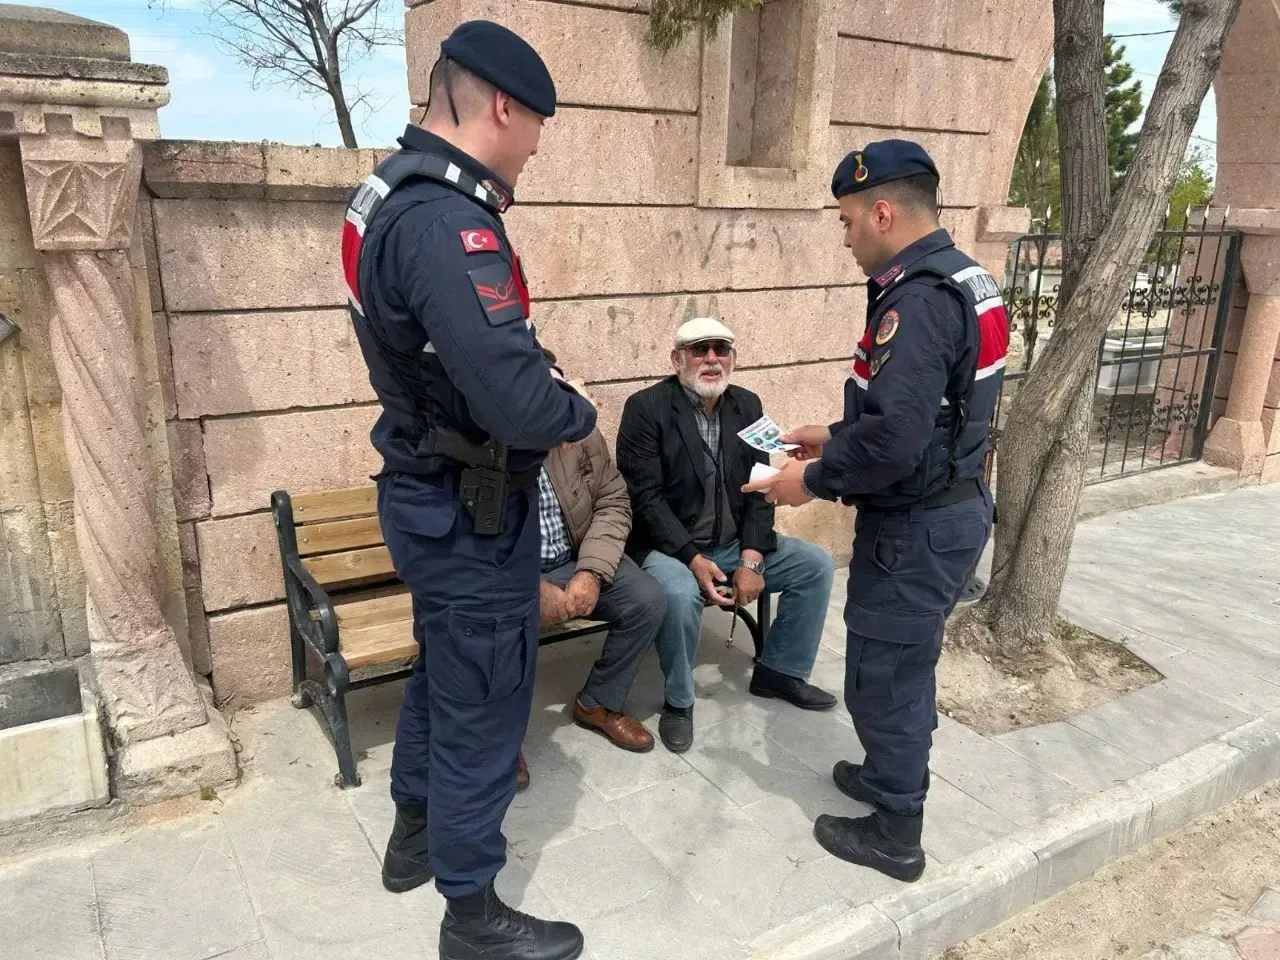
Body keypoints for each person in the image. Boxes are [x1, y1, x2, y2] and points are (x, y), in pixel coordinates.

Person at [341, 20, 595, 960]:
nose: (535, 144)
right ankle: (474, 913)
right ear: (500, 106)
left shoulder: (389, 193)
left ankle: (413, 832)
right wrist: (577, 411)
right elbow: (517, 397)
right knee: (486, 699)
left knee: (445, 672)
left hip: (427, 488)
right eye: (535, 124)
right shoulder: (451, 220)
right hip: (467, 506)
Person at [743, 140, 1008, 883]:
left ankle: (896, 828)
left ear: (883, 212)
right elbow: (934, 412)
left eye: (849, 221)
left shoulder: (917, 297)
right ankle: (888, 772)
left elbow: (896, 442)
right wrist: (830, 434)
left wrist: (813, 479)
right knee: (904, 660)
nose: (847, 236)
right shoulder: (967, 277)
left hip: (919, 521)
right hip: (949, 504)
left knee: (884, 672)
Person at [615, 317, 837, 754]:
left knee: (815, 565)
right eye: (700, 350)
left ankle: (779, 671)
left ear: (733, 358)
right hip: (670, 546)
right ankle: (679, 701)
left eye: (721, 349)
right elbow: (647, 499)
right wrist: (694, 559)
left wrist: (752, 559)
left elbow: (760, 487)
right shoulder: (646, 408)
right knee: (679, 596)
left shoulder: (747, 405)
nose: (712, 359)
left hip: (737, 541)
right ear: (677, 359)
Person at [520, 348, 666, 779]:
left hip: (576, 557)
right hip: (509, 574)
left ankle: (598, 702)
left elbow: (612, 499)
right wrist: (528, 588)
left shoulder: (579, 432)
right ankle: (499, 737)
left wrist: (591, 571)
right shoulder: (483, 445)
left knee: (647, 600)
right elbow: (471, 543)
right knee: (500, 627)